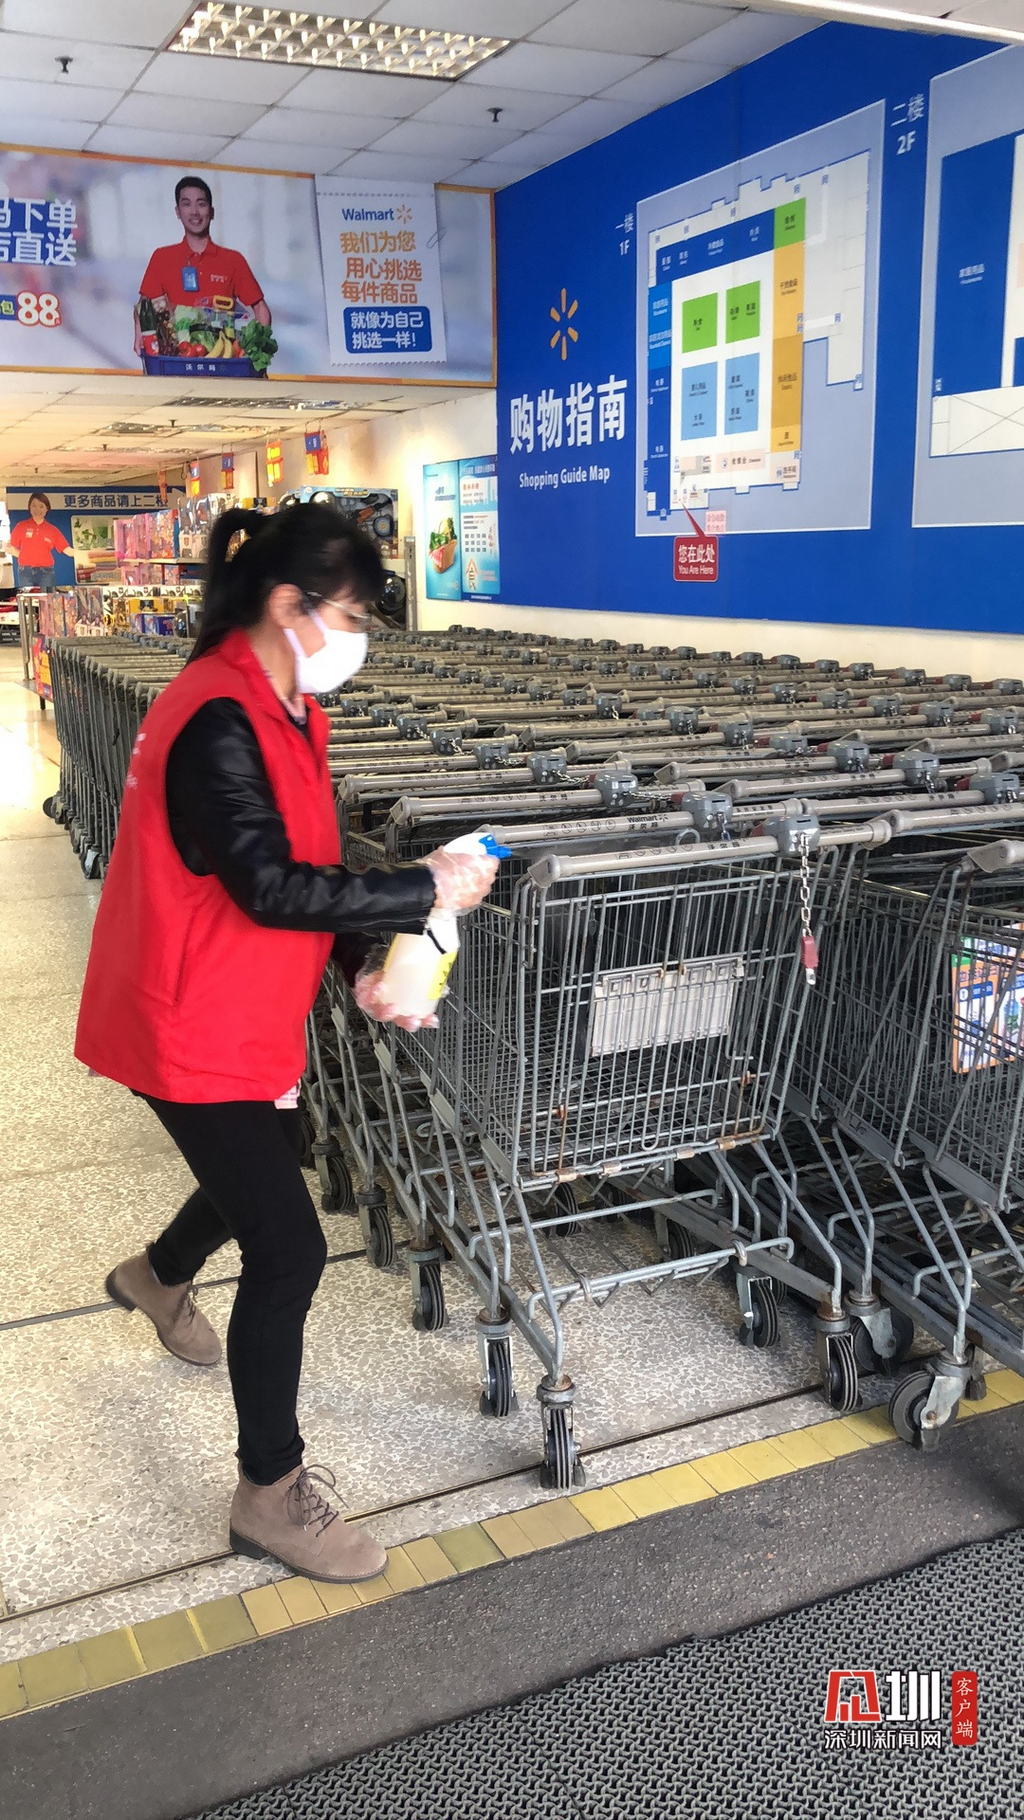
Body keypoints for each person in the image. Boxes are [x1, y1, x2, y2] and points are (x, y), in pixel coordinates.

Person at [74, 502, 498, 1584]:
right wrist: (422, 886)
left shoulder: (287, 706)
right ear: (287, 603)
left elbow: (307, 858)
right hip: (184, 1016)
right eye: (350, 616)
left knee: (284, 1147)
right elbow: (265, 884)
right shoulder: (214, 718)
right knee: (291, 1247)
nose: (356, 639)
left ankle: (158, 1275)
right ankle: (269, 1491)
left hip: (242, 1000)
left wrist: (364, 960)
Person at [133, 175, 272, 355]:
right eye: (186, 204)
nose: (194, 212)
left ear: (212, 212)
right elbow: (144, 307)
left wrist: (260, 352)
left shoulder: (233, 260)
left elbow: (260, 308)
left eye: (201, 204)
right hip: (176, 361)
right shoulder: (162, 257)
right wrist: (139, 330)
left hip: (222, 360)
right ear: (177, 211)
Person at [7, 492, 71, 590]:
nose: (37, 510)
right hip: (25, 571)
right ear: (29, 507)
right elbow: (11, 547)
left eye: (41, 506)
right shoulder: (21, 526)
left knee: (47, 597)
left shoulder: (52, 529)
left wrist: (85, 554)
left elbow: (67, 550)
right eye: (34, 506)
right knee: (28, 597)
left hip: (46, 572)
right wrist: (25, 557)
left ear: (47, 509)